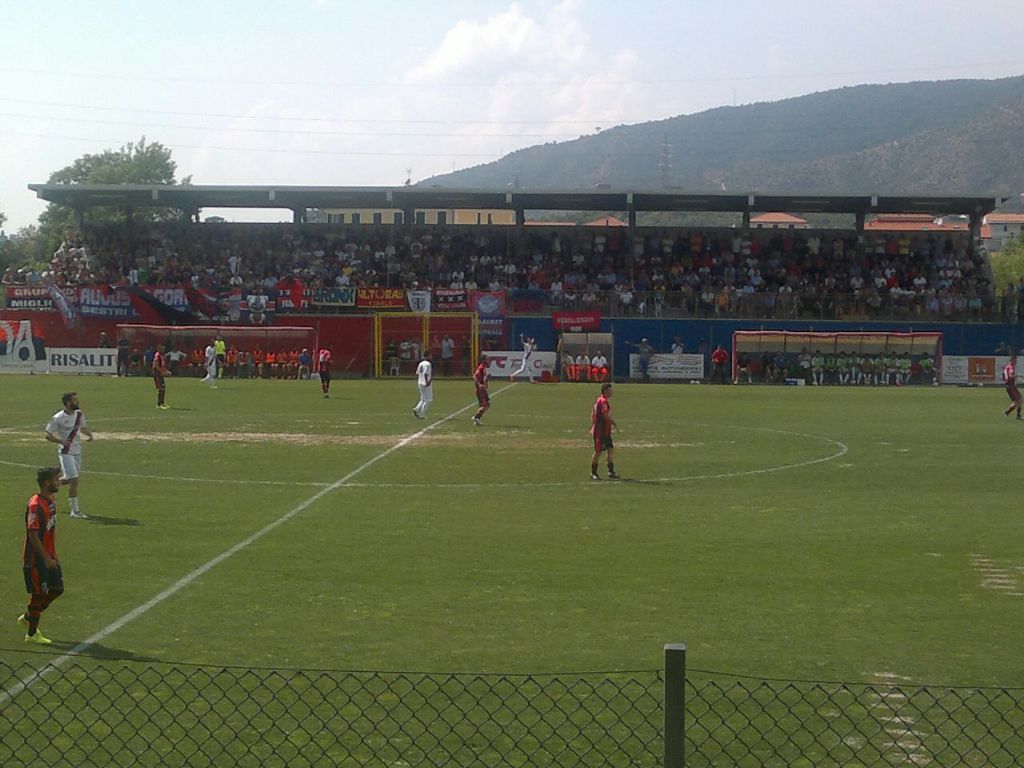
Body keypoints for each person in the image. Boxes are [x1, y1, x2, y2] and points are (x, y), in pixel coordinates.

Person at [19, 467, 65, 644]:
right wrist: (45, 559)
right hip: (36, 559)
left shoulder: (50, 500)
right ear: (47, 483)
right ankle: (31, 634)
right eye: (56, 479)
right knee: (38, 594)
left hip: (50, 555)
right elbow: (32, 535)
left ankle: (29, 616)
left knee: (57, 589)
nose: (58, 482)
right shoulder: (35, 506)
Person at [44, 392, 94, 519]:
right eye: (74, 400)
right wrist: (61, 441)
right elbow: (47, 435)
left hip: (77, 450)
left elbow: (82, 428)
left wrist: (90, 434)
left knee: (69, 479)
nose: (77, 402)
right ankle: (75, 510)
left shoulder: (79, 414)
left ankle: (48, 490)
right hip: (66, 452)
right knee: (74, 480)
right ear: (67, 403)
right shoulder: (58, 418)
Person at [590, 382, 619, 480]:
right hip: (601, 432)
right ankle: (593, 472)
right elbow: (605, 416)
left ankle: (611, 471)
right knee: (598, 451)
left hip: (605, 431)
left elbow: (592, 413)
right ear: (605, 391)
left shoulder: (600, 400)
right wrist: (613, 423)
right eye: (610, 390)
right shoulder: (602, 402)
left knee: (610, 449)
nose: (612, 392)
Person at [413, 350, 433, 419]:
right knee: (428, 399)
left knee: (423, 398)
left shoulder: (421, 363)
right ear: (427, 356)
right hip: (425, 382)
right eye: (430, 355)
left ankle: (417, 409)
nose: (431, 356)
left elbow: (417, 373)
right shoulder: (428, 364)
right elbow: (425, 373)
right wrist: (427, 382)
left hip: (420, 382)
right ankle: (422, 413)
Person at [472, 355, 490, 426]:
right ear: (483, 360)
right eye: (487, 359)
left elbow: (483, 378)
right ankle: (476, 417)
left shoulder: (484, 368)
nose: (488, 361)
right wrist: (479, 384)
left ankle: (477, 418)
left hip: (482, 390)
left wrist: (487, 379)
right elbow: (474, 376)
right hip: (480, 390)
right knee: (485, 405)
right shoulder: (481, 368)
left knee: (485, 405)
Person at [1003, 355, 1022, 420]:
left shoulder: (1007, 366)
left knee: (1020, 399)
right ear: (1012, 360)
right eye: (1015, 360)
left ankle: (1014, 414)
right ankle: (1008, 412)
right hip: (1010, 386)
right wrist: (1019, 375)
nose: (1016, 362)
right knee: (1018, 401)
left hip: (1011, 386)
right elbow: (1011, 376)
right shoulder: (1011, 367)